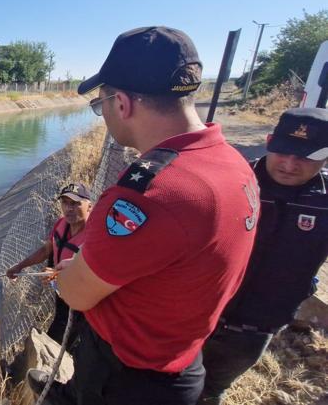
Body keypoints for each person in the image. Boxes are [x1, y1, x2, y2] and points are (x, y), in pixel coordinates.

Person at [27, 26, 259, 405]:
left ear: (122, 103)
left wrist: (72, 268)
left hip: (126, 378)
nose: (102, 114)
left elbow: (77, 294)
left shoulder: (152, 194)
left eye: (99, 103)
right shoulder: (233, 163)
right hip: (179, 356)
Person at [199, 107, 328, 404]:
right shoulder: (232, 182)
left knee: (211, 390)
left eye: (306, 156)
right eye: (284, 151)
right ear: (270, 142)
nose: (291, 164)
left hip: (256, 329)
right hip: (199, 315)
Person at [6, 182, 92, 344]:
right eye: (65, 203)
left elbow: (92, 271)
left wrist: (57, 274)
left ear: (89, 206)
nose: (69, 208)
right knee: (60, 320)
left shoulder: (96, 235)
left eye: (75, 203)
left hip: (82, 301)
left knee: (68, 336)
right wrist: (20, 266)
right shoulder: (61, 224)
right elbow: (46, 251)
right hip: (62, 291)